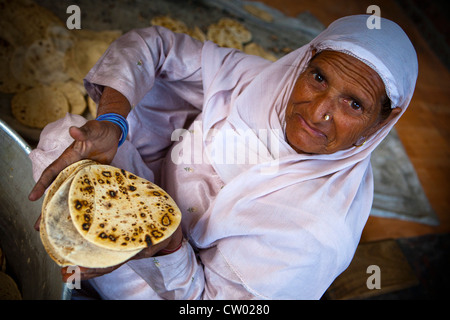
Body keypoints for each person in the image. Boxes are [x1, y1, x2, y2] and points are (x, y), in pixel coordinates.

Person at [28, 15, 418, 299]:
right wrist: (114, 121)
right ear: (306, 60)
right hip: (145, 188)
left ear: (383, 121)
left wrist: (166, 246)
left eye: (353, 104)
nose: (318, 112)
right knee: (65, 138)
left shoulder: (317, 235)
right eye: (319, 78)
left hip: (177, 287)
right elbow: (155, 47)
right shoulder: (260, 83)